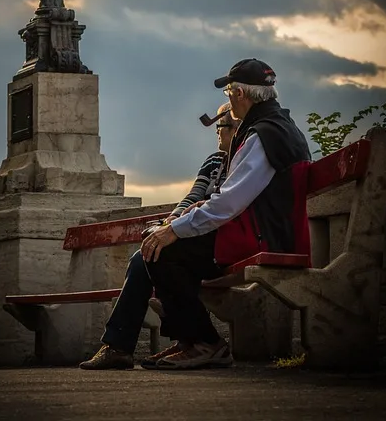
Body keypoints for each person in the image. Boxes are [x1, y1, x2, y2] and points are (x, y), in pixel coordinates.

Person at [139, 58, 312, 370]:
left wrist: (174, 229)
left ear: (241, 94)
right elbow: (235, 196)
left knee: (163, 250)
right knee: (166, 247)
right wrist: (191, 216)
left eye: (229, 91)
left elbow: (228, 203)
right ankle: (190, 341)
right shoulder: (276, 127)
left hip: (263, 237)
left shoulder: (262, 135)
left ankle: (205, 343)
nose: (228, 98)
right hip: (268, 230)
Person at [79, 103, 239, 370]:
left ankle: (199, 341)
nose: (217, 133)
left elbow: (223, 205)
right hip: (193, 237)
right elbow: (193, 196)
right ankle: (119, 347)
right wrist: (170, 221)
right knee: (144, 255)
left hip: (215, 244)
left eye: (221, 126)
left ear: (236, 128)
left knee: (158, 254)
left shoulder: (244, 161)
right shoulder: (213, 161)